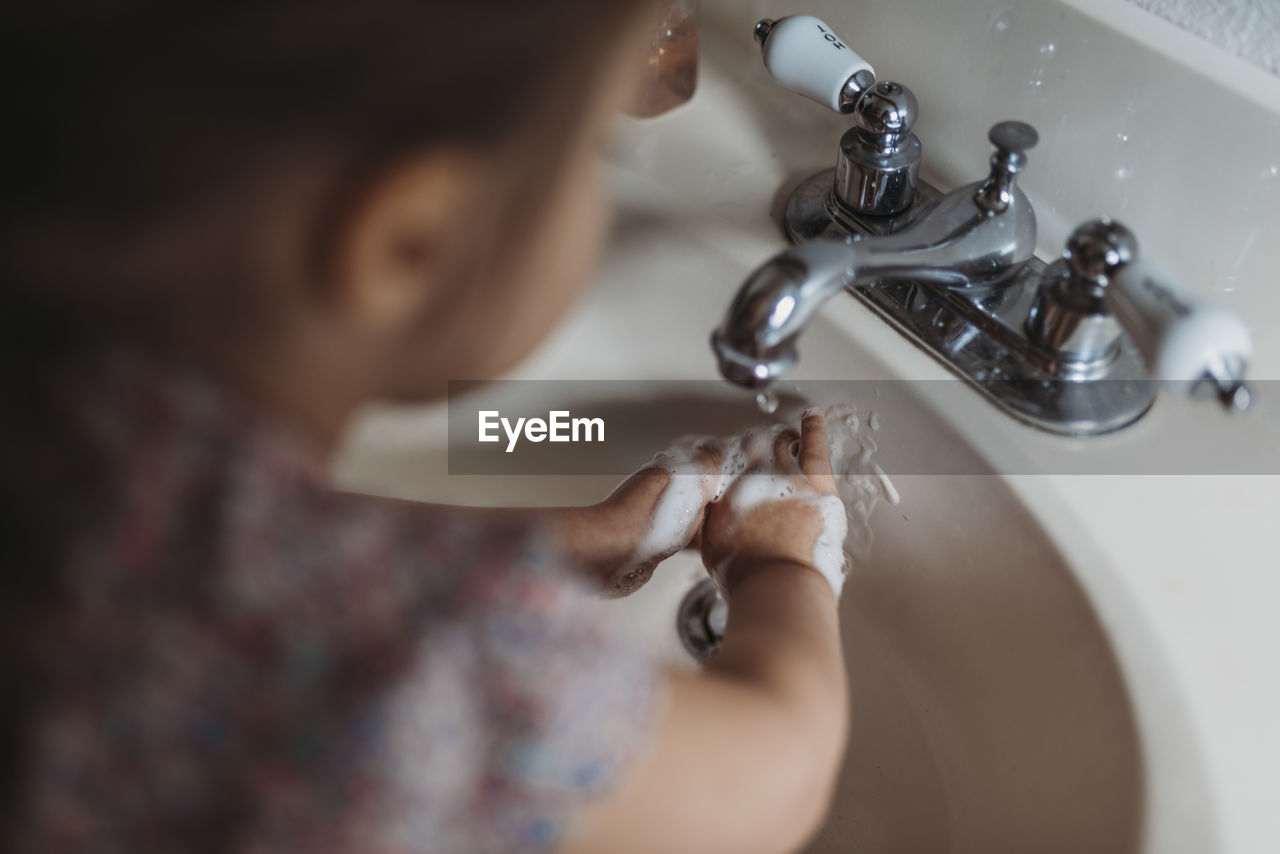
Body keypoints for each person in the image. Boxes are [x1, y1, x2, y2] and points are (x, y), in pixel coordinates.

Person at [0, 3, 850, 852]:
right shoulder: (424, 658)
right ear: (413, 242)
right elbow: (775, 778)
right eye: (594, 154)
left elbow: (282, 555)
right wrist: (780, 564)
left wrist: (587, 540)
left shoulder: (61, 434)